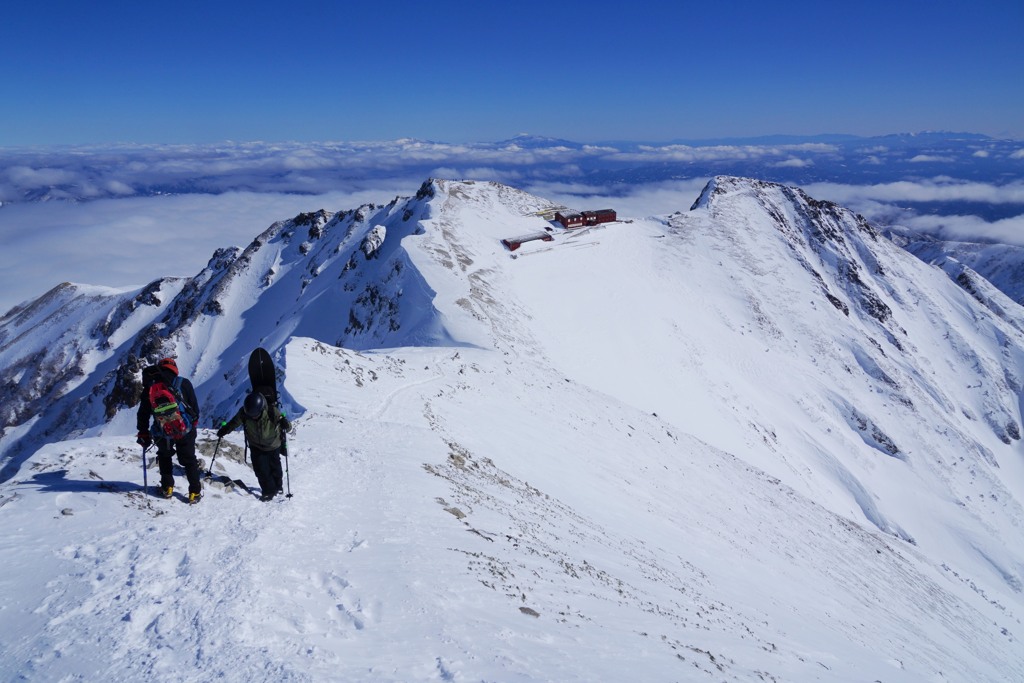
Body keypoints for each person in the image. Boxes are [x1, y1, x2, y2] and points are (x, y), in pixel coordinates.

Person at [136, 357, 203, 503]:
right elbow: (194, 408)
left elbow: (143, 413)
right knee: (189, 460)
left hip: (162, 431)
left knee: (165, 457)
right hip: (184, 430)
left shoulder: (151, 387)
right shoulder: (183, 383)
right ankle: (194, 492)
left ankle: (167, 488)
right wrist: (192, 426)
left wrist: (143, 432)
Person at [218, 391, 291, 501]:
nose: (253, 417)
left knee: (275, 467)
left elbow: (288, 427)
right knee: (261, 470)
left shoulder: (272, 412)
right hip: (256, 445)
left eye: (256, 415)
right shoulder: (244, 412)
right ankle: (268, 491)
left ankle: (278, 486)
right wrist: (225, 430)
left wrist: (286, 424)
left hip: (273, 445)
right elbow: (234, 422)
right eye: (251, 415)